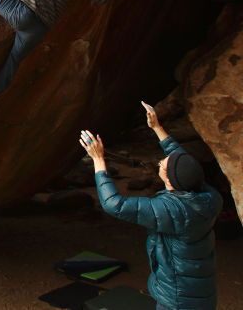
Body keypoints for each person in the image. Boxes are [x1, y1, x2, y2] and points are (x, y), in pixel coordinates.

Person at [79, 101, 223, 310]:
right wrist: (157, 127)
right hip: (202, 294)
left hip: (177, 300)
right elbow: (183, 160)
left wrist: (98, 159)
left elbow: (114, 205)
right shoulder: (208, 196)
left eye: (163, 164)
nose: (161, 161)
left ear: (170, 181)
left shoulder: (172, 211)